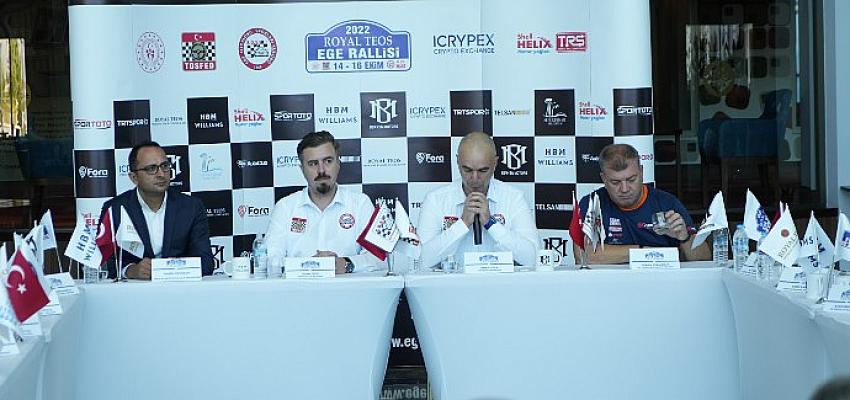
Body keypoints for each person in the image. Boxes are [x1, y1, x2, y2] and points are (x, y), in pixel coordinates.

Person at [418, 131, 538, 268]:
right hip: (453, 282)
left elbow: (533, 258)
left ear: (495, 163)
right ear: (457, 161)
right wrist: (462, 225)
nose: (475, 179)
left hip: (500, 281)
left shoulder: (513, 198)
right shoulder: (436, 200)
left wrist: (491, 224)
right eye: (467, 170)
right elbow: (422, 260)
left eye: (482, 170)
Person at [574, 143, 711, 264]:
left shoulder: (667, 203)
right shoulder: (591, 203)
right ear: (603, 178)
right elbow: (583, 255)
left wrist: (685, 237)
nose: (624, 189)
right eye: (615, 182)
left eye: (631, 180)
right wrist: (643, 252)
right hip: (611, 282)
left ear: (641, 172)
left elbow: (704, 260)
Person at [264, 131, 379, 273]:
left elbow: (378, 257)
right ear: (302, 169)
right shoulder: (285, 207)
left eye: (328, 161)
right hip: (300, 287)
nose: (321, 170)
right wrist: (309, 265)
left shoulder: (360, 204)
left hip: (347, 287)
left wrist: (346, 264)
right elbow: (271, 259)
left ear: (338, 163)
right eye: (313, 163)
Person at [100, 141, 214, 279]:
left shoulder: (191, 207)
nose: (161, 174)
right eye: (151, 168)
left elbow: (206, 262)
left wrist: (168, 270)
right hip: (135, 289)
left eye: (164, 166)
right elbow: (104, 261)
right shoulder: (114, 209)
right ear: (134, 177)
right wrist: (130, 270)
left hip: (180, 287)